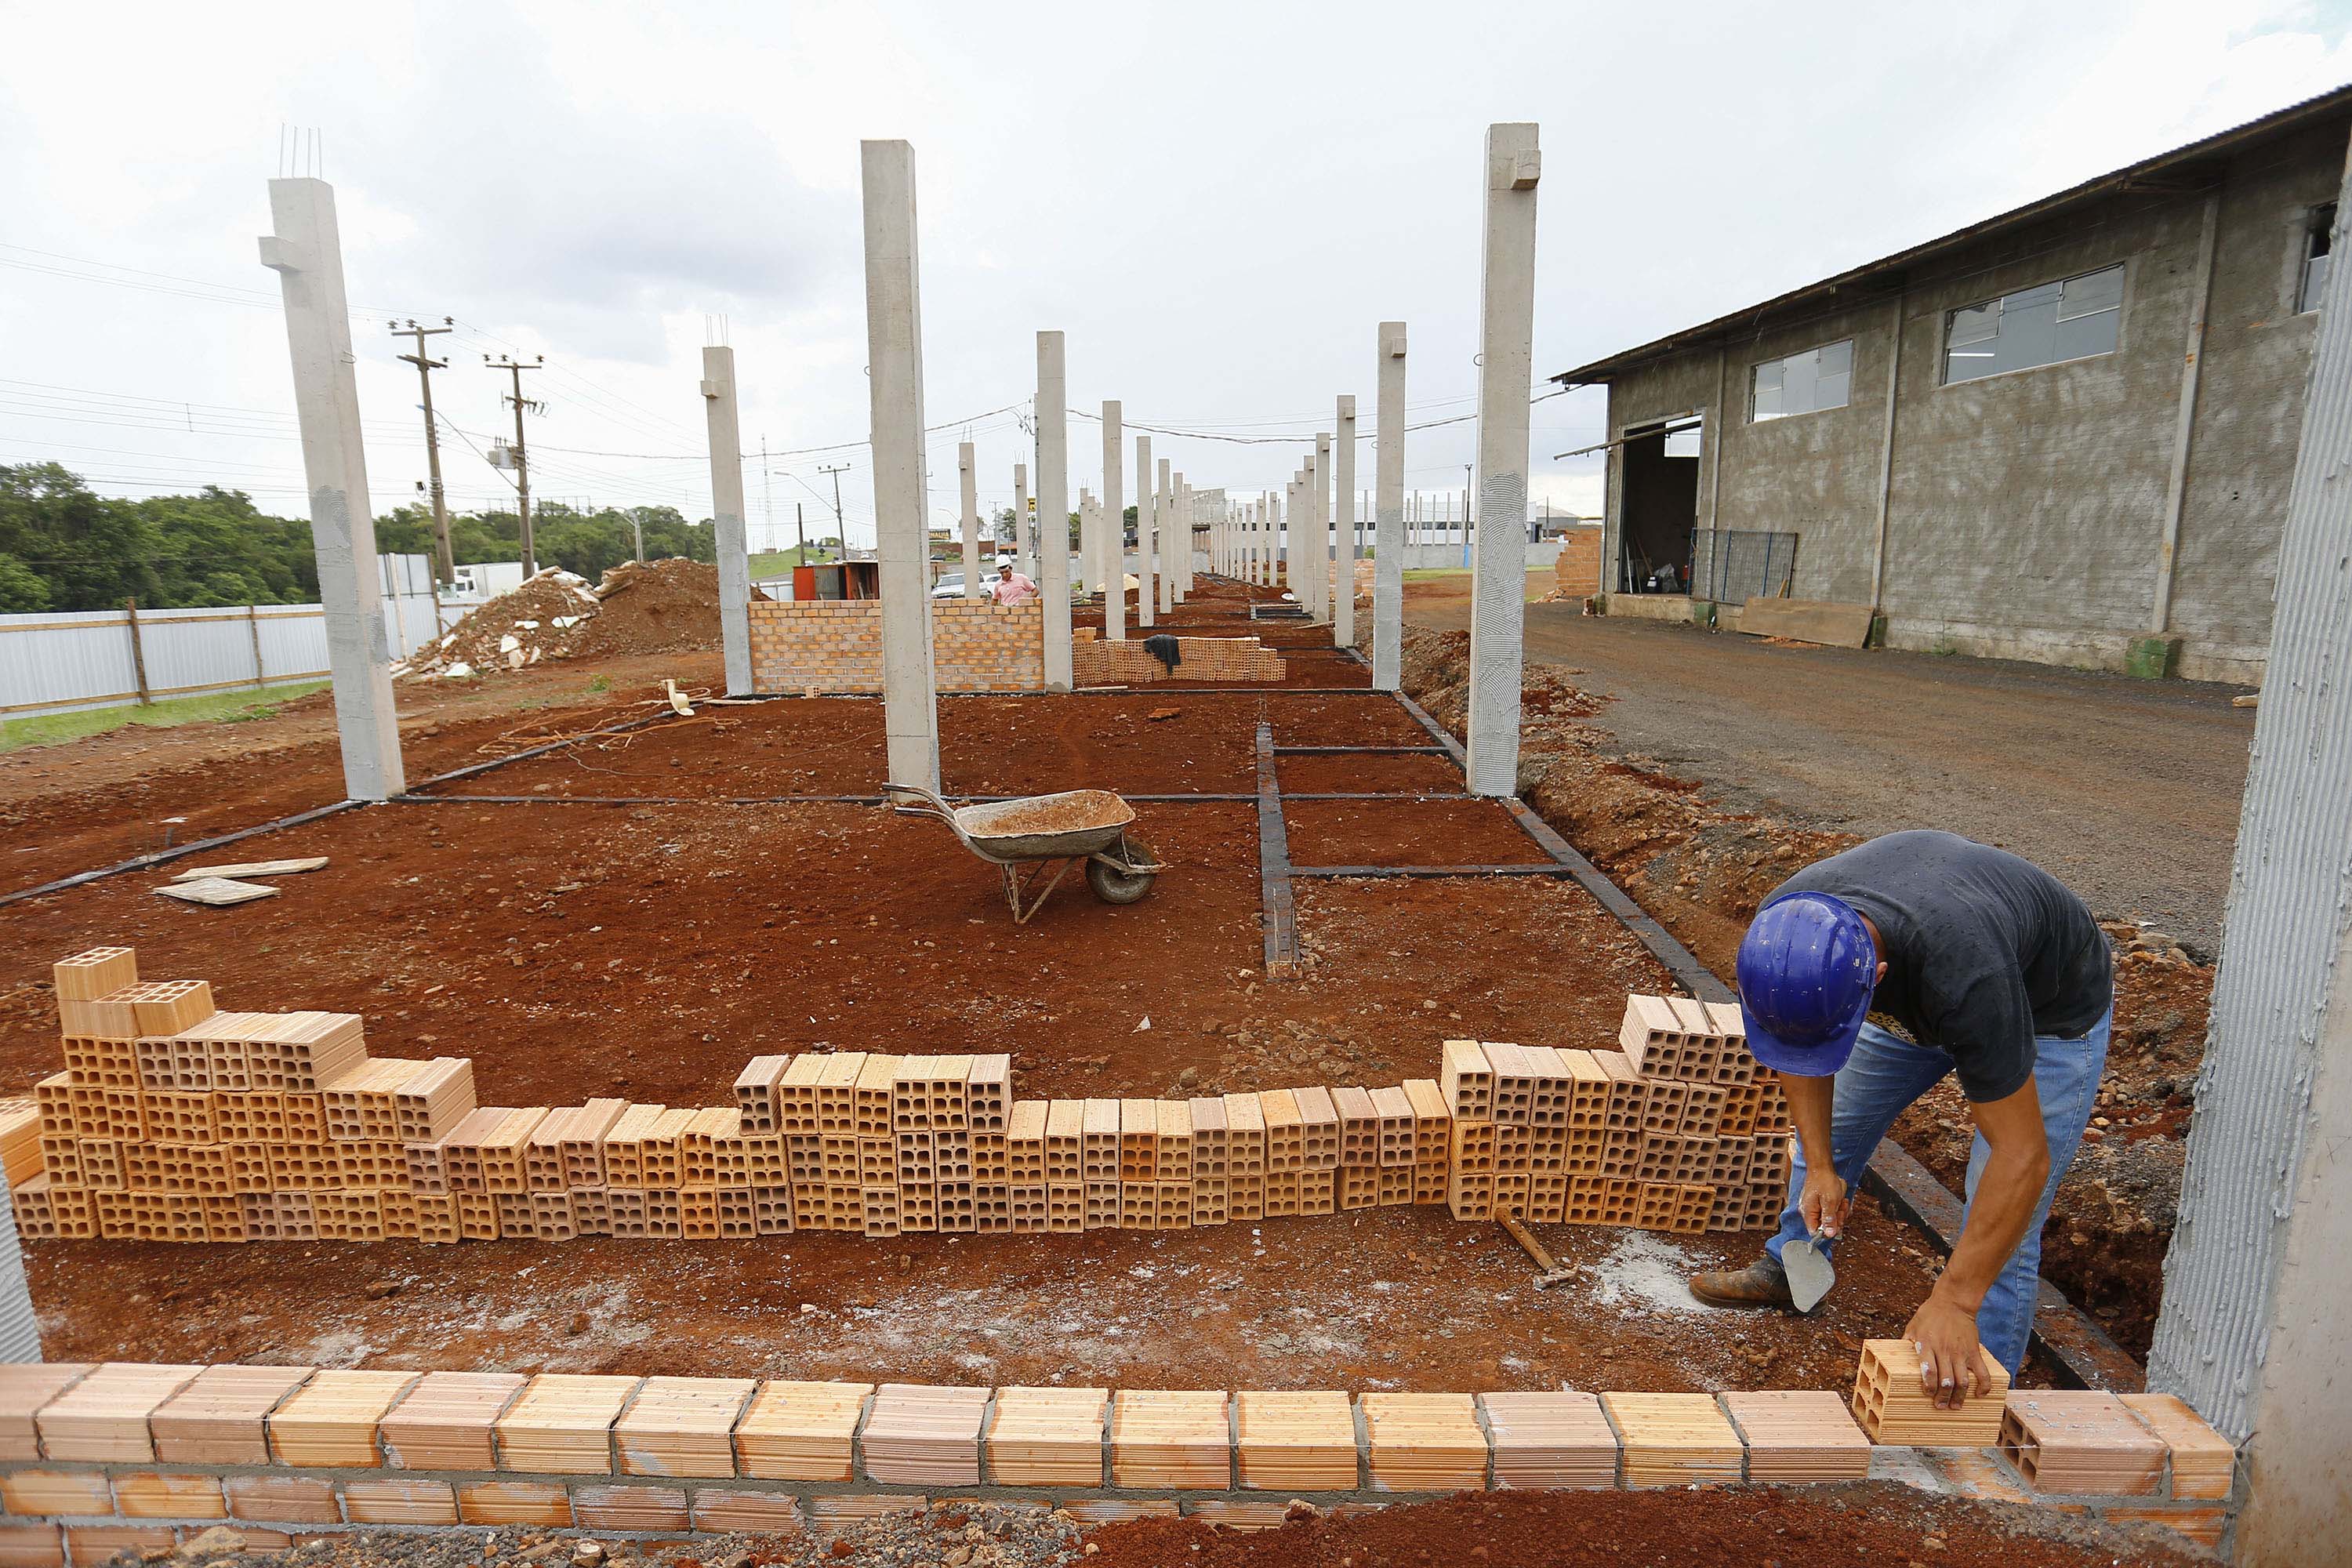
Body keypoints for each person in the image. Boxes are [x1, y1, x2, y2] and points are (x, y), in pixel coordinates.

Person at [1688, 829, 2112, 1409]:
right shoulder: (1787, 937)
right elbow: (1800, 1047)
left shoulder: (1969, 977)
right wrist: (1822, 1167)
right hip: (1937, 968)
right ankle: (1790, 1268)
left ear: (1876, 980)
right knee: (1831, 1140)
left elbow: (2022, 1157)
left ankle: (1969, 1400)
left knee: (2004, 1212)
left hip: (2046, 1010)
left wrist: (1953, 1300)